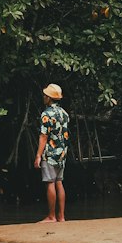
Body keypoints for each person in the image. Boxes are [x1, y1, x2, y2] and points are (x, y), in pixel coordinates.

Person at [34, 82, 69, 222]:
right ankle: (61, 216)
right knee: (59, 182)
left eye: (45, 95)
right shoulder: (64, 113)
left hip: (49, 154)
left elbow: (44, 136)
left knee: (50, 182)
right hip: (62, 153)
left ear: (49, 98)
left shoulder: (46, 114)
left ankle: (51, 216)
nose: (44, 96)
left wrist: (38, 155)